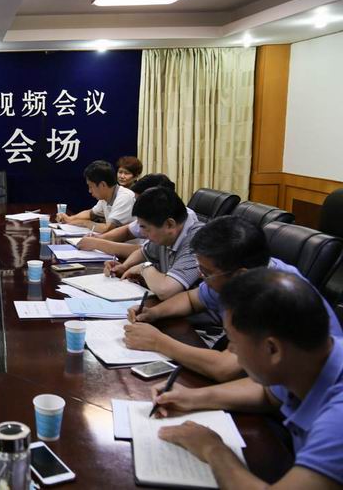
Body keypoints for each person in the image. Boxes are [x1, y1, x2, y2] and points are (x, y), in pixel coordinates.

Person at [151, 269, 343, 488]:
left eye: (233, 341)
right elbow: (268, 394)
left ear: (272, 349)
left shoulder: (338, 419)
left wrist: (212, 449)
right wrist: (192, 397)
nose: (231, 350)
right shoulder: (306, 360)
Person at [123, 216, 343, 381]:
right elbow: (192, 299)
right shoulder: (241, 277)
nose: (201, 276)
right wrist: (154, 313)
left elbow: (225, 368)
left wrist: (158, 342)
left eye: (206, 272)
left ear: (239, 275)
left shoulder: (274, 297)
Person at [105, 186, 203, 300]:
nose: (142, 233)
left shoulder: (199, 241)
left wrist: (143, 268)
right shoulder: (165, 234)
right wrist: (124, 267)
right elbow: (143, 252)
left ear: (169, 224)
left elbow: (166, 290)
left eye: (144, 227)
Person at [76, 173, 177, 259]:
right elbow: (128, 231)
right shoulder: (153, 213)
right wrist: (100, 238)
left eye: (140, 202)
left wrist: (97, 244)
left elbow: (144, 251)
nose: (137, 206)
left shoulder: (171, 221)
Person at [55, 160, 135, 233]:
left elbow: (108, 229)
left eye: (91, 186)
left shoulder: (125, 197)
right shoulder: (105, 197)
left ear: (102, 185)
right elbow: (90, 213)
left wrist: (85, 223)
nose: (89, 191)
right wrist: (69, 219)